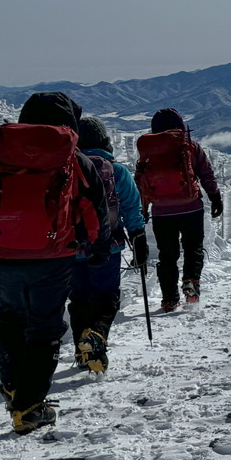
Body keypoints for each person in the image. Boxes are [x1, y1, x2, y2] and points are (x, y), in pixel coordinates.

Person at [0, 92, 116, 433]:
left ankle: (13, 387)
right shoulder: (76, 161)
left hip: (2, 257)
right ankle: (29, 407)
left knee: (11, 319)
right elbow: (93, 209)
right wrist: (99, 248)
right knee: (46, 329)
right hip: (54, 257)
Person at [69, 116, 148, 376]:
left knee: (79, 298)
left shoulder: (66, 168)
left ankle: (82, 353)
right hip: (108, 246)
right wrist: (138, 237)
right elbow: (131, 208)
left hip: (71, 249)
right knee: (107, 298)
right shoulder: (117, 171)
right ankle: (97, 336)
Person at [135, 108, 222, 312]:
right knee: (193, 248)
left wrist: (143, 210)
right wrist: (215, 197)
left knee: (167, 255)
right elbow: (206, 173)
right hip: (191, 208)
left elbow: (142, 182)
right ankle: (191, 281)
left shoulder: (149, 150)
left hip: (161, 212)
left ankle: (169, 300)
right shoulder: (189, 146)